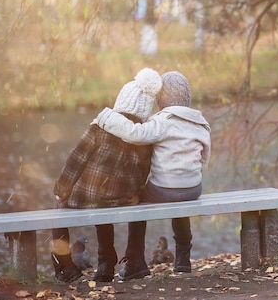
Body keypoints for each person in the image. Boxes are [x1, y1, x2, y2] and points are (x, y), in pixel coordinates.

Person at [95, 71, 211, 280]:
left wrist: (106, 118)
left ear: (161, 99)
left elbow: (135, 133)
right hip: (193, 189)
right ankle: (183, 257)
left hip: (162, 190)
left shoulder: (162, 121)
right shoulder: (201, 123)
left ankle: (135, 261)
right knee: (180, 201)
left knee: (136, 200)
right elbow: (205, 159)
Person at [51, 68, 162, 283]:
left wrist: (61, 190)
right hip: (121, 199)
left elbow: (75, 160)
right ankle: (109, 262)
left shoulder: (100, 128)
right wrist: (135, 193)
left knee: (58, 210)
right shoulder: (143, 137)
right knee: (109, 206)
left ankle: (66, 265)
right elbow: (143, 173)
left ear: (121, 101)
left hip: (89, 195)